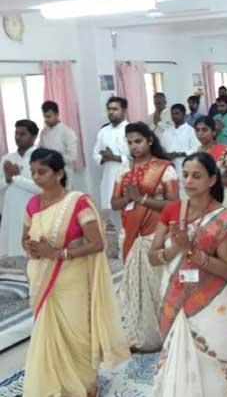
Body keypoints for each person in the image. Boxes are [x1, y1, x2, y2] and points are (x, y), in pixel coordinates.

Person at [22, 148, 129, 396]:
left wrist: (58, 254)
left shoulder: (78, 202)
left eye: (43, 172)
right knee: (47, 331)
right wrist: (30, 247)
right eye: (33, 172)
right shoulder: (33, 204)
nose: (37, 177)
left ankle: (82, 383)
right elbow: (25, 238)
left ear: (59, 174)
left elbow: (97, 243)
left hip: (71, 278)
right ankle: (52, 385)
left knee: (76, 331)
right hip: (41, 275)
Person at [150, 152, 227, 396]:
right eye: (185, 175)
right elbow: (153, 256)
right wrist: (174, 249)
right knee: (176, 357)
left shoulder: (224, 219)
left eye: (196, 176)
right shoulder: (172, 211)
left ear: (212, 180)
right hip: (176, 296)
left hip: (212, 303)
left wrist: (192, 252)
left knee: (212, 361)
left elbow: (226, 269)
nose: (189, 181)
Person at [112, 122, 179, 352]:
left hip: (156, 233)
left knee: (158, 285)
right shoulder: (124, 170)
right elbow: (114, 203)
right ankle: (141, 335)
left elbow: (174, 203)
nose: (134, 146)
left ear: (150, 140)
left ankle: (167, 332)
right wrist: (130, 198)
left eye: (138, 141)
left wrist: (141, 199)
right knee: (135, 288)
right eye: (130, 142)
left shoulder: (164, 169)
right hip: (131, 232)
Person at [93, 96, 129, 253]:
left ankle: (129, 246)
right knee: (113, 215)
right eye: (109, 109)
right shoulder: (103, 131)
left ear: (124, 111)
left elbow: (136, 155)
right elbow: (95, 153)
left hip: (126, 176)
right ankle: (122, 248)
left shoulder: (130, 130)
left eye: (115, 109)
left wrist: (114, 157)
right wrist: (103, 157)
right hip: (108, 176)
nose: (111, 112)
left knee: (128, 212)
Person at [0, 120, 40, 258]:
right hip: (12, 213)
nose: (18, 137)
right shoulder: (7, 159)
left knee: (36, 253)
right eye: (16, 133)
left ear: (34, 137)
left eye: (23, 134)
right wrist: (6, 179)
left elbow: (41, 188)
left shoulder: (40, 157)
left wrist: (15, 178)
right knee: (17, 253)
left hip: (34, 212)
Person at [194, 116, 227, 211]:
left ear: (214, 132)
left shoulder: (224, 152)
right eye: (197, 130)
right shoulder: (198, 151)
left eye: (204, 130)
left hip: (223, 198)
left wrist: (211, 180)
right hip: (204, 199)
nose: (200, 134)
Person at [161, 103, 200, 197]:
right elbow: (161, 148)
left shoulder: (190, 131)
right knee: (171, 192)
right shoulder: (166, 132)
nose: (174, 116)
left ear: (184, 115)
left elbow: (197, 148)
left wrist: (180, 154)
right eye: (172, 114)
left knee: (185, 193)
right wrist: (166, 155)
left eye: (177, 113)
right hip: (169, 167)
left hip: (185, 166)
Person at [38, 100, 79, 187]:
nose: (46, 120)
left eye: (49, 117)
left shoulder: (67, 132)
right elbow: (40, 151)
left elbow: (72, 157)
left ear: (57, 114)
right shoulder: (44, 133)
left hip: (64, 174)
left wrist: (53, 158)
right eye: (44, 117)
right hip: (48, 175)